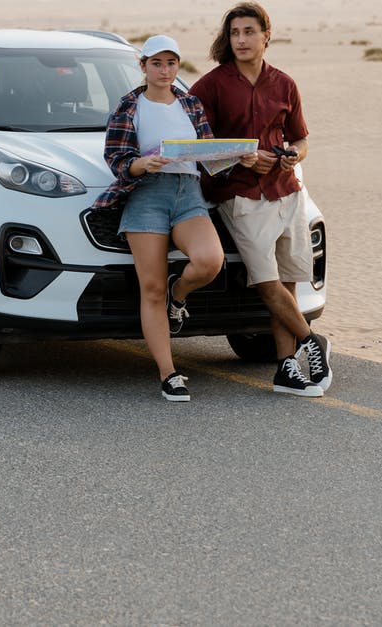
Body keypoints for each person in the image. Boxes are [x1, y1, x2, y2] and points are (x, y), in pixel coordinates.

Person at [90, 35, 256, 402]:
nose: (165, 71)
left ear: (178, 66)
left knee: (209, 262)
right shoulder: (130, 106)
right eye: (157, 64)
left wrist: (234, 157)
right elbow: (116, 159)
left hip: (187, 194)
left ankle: (177, 295)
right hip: (147, 195)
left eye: (171, 63)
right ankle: (169, 373)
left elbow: (208, 156)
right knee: (149, 288)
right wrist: (140, 164)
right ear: (144, 66)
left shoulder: (190, 103)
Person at [190, 2, 333, 397]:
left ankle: (287, 369)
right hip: (239, 195)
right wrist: (240, 155)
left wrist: (292, 157)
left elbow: (301, 139)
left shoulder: (285, 84)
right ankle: (311, 342)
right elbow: (196, 142)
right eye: (235, 33)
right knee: (266, 281)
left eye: (249, 32)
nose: (241, 40)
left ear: (266, 35)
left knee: (288, 282)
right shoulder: (212, 84)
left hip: (287, 192)